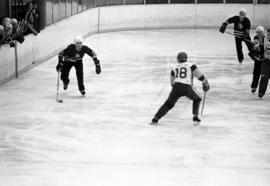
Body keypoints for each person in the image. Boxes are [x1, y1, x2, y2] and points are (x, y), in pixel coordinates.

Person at [151, 52, 210, 126]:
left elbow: (172, 81)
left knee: (168, 104)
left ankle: (155, 118)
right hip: (187, 86)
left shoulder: (174, 67)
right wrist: (205, 82)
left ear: (177, 59)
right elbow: (199, 75)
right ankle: (195, 118)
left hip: (176, 87)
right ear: (186, 58)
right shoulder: (191, 65)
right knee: (197, 99)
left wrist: (176, 90)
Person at [249, 26, 265, 93]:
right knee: (256, 73)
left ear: (263, 32)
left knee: (265, 75)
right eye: (257, 32)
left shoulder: (267, 39)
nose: (259, 34)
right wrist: (255, 47)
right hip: (258, 59)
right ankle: (254, 86)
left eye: (260, 32)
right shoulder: (255, 39)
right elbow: (252, 52)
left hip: (266, 59)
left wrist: (261, 45)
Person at [258, 29, 270, 99]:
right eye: (268, 34)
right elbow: (257, 39)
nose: (269, 35)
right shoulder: (264, 38)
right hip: (266, 62)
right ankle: (261, 93)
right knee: (263, 77)